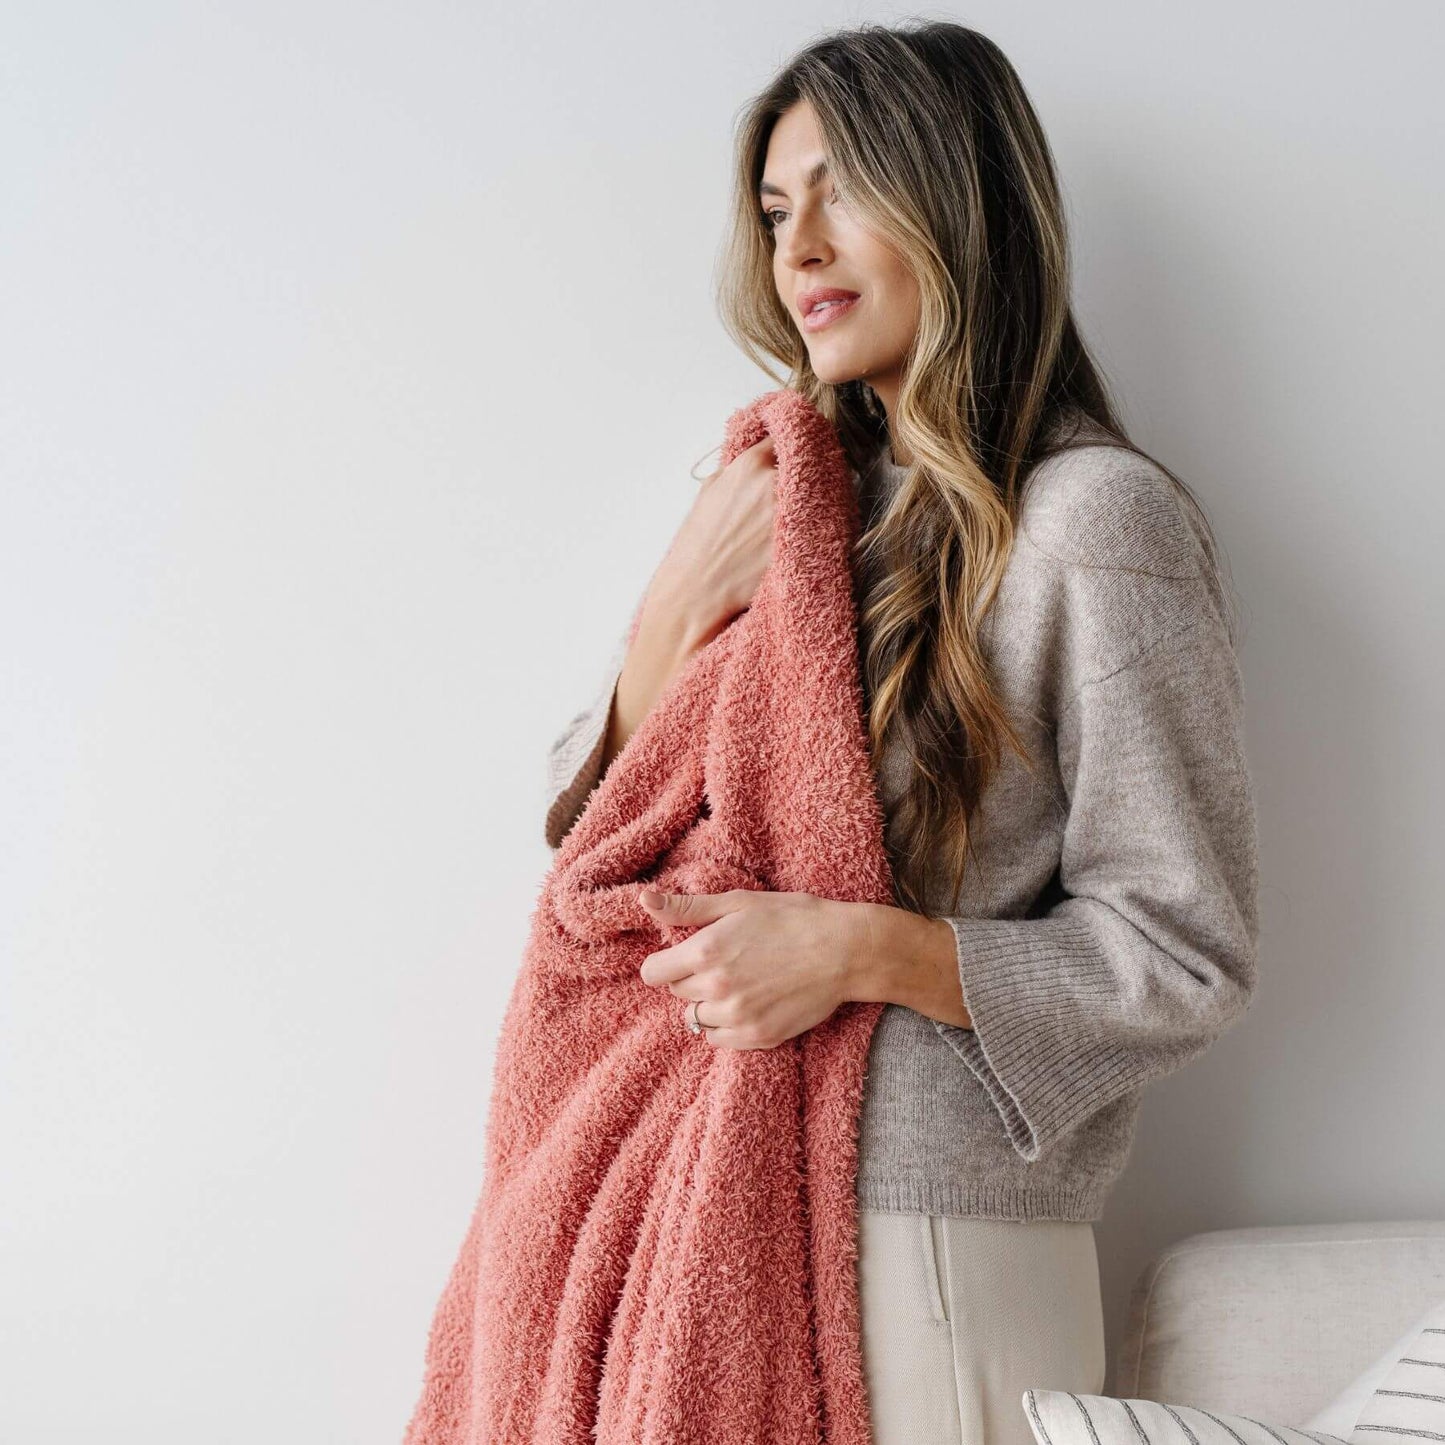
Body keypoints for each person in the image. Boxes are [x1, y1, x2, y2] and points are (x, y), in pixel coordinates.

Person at [543, 21, 1260, 1445]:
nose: (797, 246)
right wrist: (671, 609)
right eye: (771, 210)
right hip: (716, 1193)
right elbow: (596, 838)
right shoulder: (788, 511)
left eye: (841, 190)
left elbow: (1185, 950)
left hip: (932, 1236)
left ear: (960, 201)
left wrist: (859, 948)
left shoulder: (1091, 522)